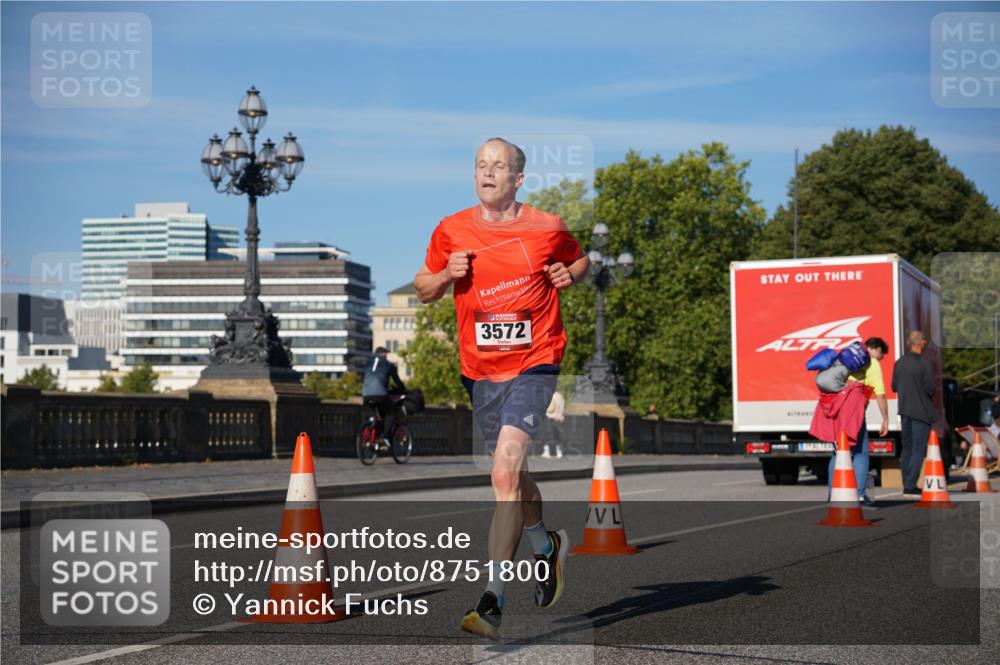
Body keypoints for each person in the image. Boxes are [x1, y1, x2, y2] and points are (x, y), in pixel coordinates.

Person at [413, 137, 589, 640]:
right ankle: (546, 545)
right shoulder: (451, 229)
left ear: (518, 179)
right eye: (480, 165)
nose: (488, 172)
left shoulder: (547, 227)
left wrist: (568, 275)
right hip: (481, 371)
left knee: (503, 471)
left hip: (536, 363)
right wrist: (446, 273)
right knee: (515, 479)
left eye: (499, 166)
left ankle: (492, 600)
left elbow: (581, 261)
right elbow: (423, 289)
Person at [826, 337, 889, 507]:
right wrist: (885, 418)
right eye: (880, 355)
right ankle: (860, 496)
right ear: (875, 349)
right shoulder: (872, 363)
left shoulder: (844, 359)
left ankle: (833, 494)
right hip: (853, 411)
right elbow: (880, 393)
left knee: (838, 452)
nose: (879, 359)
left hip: (835, 409)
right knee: (861, 453)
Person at [891, 330, 937, 498]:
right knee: (918, 449)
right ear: (922, 343)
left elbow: (894, 387)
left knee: (907, 448)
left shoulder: (899, 363)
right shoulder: (925, 364)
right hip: (921, 412)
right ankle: (910, 485)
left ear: (909, 343)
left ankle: (906, 483)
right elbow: (930, 388)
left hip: (904, 411)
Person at [361, 347, 407, 442]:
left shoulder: (367, 363)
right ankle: (385, 437)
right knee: (392, 412)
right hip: (381, 395)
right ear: (384, 354)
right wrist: (403, 389)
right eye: (386, 354)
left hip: (366, 395)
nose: (387, 357)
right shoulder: (388, 365)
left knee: (375, 414)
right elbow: (397, 381)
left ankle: (372, 432)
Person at [541, 390, 565, 459]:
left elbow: (547, 409)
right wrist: (560, 415)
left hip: (549, 417)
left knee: (548, 434)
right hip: (558, 418)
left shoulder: (547, 394)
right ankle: (558, 452)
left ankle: (547, 452)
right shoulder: (559, 395)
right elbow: (562, 407)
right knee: (556, 435)